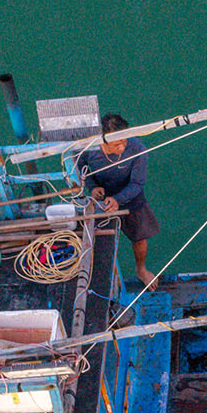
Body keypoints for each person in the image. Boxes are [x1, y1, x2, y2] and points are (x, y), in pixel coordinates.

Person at [80, 113, 159, 287]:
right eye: (117, 144)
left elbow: (138, 183)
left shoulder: (137, 149)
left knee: (139, 238)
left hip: (131, 196)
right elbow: (83, 170)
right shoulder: (89, 150)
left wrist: (118, 199)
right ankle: (100, 277)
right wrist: (92, 187)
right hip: (103, 199)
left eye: (125, 141)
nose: (122, 146)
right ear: (103, 142)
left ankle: (141, 269)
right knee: (101, 241)